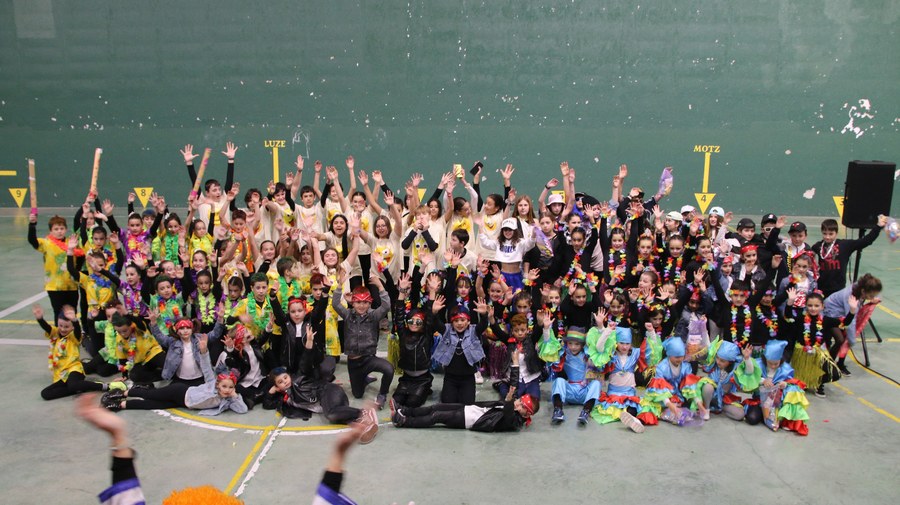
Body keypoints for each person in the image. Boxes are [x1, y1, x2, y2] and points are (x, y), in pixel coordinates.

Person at [102, 334, 248, 416]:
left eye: (230, 387)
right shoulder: (211, 383)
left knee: (151, 405)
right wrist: (204, 351)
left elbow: (243, 410)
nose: (227, 389)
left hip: (184, 403)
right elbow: (206, 368)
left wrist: (234, 395)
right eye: (224, 386)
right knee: (152, 395)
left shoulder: (229, 401)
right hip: (180, 391)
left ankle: (120, 404)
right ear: (218, 384)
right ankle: (123, 392)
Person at [392, 351, 538, 432]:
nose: (518, 404)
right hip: (471, 409)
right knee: (435, 407)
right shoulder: (516, 408)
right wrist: (516, 365)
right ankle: (405, 410)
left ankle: (404, 421)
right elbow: (514, 385)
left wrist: (509, 398)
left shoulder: (514, 421)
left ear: (526, 414)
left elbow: (507, 412)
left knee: (436, 416)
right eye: (519, 401)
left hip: (470, 420)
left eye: (521, 406)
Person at [331, 274, 392, 408]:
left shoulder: (373, 316)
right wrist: (340, 285)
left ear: (370, 302)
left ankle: (382, 394)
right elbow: (335, 304)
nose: (362, 305)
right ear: (352, 302)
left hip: (369, 359)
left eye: (365, 302)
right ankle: (364, 379)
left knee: (389, 369)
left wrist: (380, 286)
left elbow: (386, 306)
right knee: (357, 394)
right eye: (358, 302)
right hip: (354, 363)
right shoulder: (347, 315)